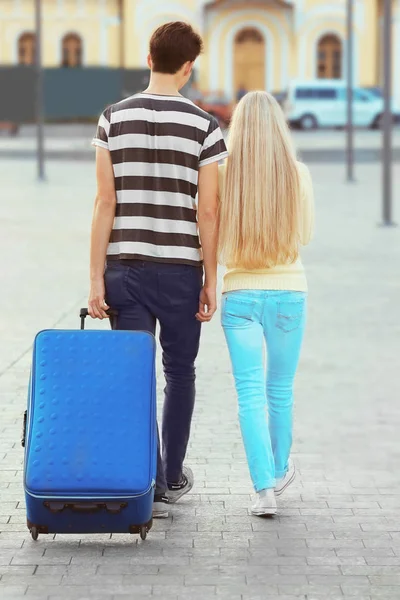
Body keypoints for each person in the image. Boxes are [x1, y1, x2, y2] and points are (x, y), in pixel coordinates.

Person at [89, 21, 228, 519]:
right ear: (189, 67)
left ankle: (141, 473)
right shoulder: (205, 125)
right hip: (180, 271)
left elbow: (105, 202)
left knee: (134, 374)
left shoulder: (111, 118)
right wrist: (211, 279)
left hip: (122, 268)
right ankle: (170, 476)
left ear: (149, 59)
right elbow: (207, 211)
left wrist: (93, 278)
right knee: (179, 372)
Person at [218, 91, 314, 516]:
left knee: (249, 392)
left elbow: (215, 237)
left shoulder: (222, 175)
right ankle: (278, 469)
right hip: (289, 291)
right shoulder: (298, 174)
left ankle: (263, 491)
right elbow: (305, 237)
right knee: (280, 389)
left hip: (238, 292)